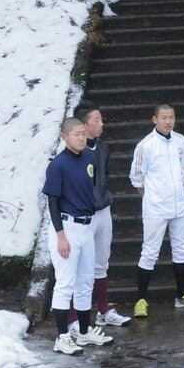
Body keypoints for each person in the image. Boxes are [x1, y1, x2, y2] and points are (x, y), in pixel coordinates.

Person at [42, 117, 115, 354]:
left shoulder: (89, 159)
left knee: (86, 281)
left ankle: (83, 332)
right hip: (67, 226)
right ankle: (62, 336)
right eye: (76, 134)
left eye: (84, 133)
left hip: (87, 225)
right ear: (64, 137)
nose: (82, 138)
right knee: (65, 283)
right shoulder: (58, 165)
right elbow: (53, 203)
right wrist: (61, 236)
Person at [130, 103, 184, 316]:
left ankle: (182, 295)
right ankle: (141, 299)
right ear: (154, 119)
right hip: (155, 207)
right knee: (150, 251)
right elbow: (136, 177)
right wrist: (150, 198)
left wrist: (179, 194)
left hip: (180, 205)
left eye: (171, 117)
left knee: (181, 249)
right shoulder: (145, 145)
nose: (168, 121)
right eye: (163, 117)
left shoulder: (181, 142)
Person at [75, 101, 132, 329]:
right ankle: (74, 318)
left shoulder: (103, 148)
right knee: (81, 265)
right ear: (83, 124)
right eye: (96, 120)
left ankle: (104, 310)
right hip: (83, 214)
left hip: (103, 209)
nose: (101, 124)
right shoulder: (74, 153)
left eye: (101, 119)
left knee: (101, 262)